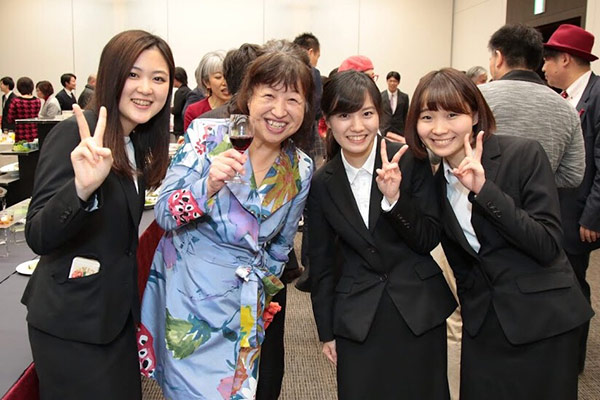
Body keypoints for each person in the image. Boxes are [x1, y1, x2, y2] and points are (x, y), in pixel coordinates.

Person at [404, 67, 593, 399]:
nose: (439, 128)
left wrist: (484, 190)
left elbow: (547, 244)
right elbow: (455, 257)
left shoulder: (523, 155)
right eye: (427, 117)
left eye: (452, 115)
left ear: (475, 115)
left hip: (543, 319)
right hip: (485, 324)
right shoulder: (435, 183)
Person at [140, 42, 315, 399]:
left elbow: (280, 248)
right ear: (248, 97)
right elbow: (164, 214)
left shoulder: (300, 168)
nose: (280, 111)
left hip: (245, 309)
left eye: (293, 100)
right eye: (269, 96)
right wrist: (206, 186)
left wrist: (263, 299)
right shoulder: (208, 138)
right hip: (190, 302)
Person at [21, 29, 174, 399]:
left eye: (158, 79)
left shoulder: (134, 141)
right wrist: (81, 189)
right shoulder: (78, 134)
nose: (146, 89)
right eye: (133, 74)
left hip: (113, 318)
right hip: (72, 325)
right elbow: (38, 234)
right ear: (111, 75)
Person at [309, 70, 455, 400]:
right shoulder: (323, 182)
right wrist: (326, 330)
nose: (356, 126)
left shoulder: (409, 159)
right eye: (344, 116)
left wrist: (395, 199)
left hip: (417, 309)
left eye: (366, 114)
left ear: (379, 115)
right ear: (327, 122)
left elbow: (428, 238)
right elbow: (321, 262)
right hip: (357, 316)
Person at [542, 23, 600, 374]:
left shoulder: (597, 97)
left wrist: (592, 216)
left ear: (564, 59)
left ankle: (571, 361)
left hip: (580, 216)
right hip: (558, 211)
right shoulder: (562, 99)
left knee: (574, 285)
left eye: (548, 60)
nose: (544, 68)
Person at [481, 23, 584, 189]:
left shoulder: (476, 97)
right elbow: (573, 175)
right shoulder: (567, 109)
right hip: (538, 201)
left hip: (480, 198)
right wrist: (534, 182)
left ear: (499, 57)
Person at [182, 50, 230, 131]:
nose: (225, 82)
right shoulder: (194, 111)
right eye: (218, 77)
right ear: (207, 82)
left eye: (228, 76)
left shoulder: (242, 109)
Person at [6, 77, 41, 141]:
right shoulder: (37, 100)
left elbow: (10, 119)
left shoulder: (16, 101)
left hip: (21, 133)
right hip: (34, 133)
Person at [380, 70, 410, 142]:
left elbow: (405, 115)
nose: (392, 83)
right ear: (387, 81)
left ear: (398, 82)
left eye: (395, 81)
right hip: (384, 130)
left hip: (399, 131)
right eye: (390, 81)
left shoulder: (404, 97)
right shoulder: (380, 96)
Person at [171, 66, 191, 136]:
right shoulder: (189, 91)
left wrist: (167, 109)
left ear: (176, 78)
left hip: (179, 127)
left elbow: (176, 110)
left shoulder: (180, 92)